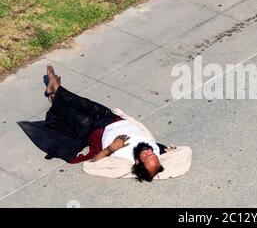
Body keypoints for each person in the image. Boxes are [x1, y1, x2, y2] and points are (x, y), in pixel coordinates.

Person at [19, 64, 166, 182]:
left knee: (78, 116)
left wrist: (111, 149)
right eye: (152, 154)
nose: (149, 152)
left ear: (138, 163)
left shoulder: (124, 158)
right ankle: (54, 91)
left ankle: (54, 90)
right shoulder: (155, 151)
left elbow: (95, 162)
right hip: (111, 118)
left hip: (96, 131)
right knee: (83, 103)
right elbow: (171, 151)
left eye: (147, 156)